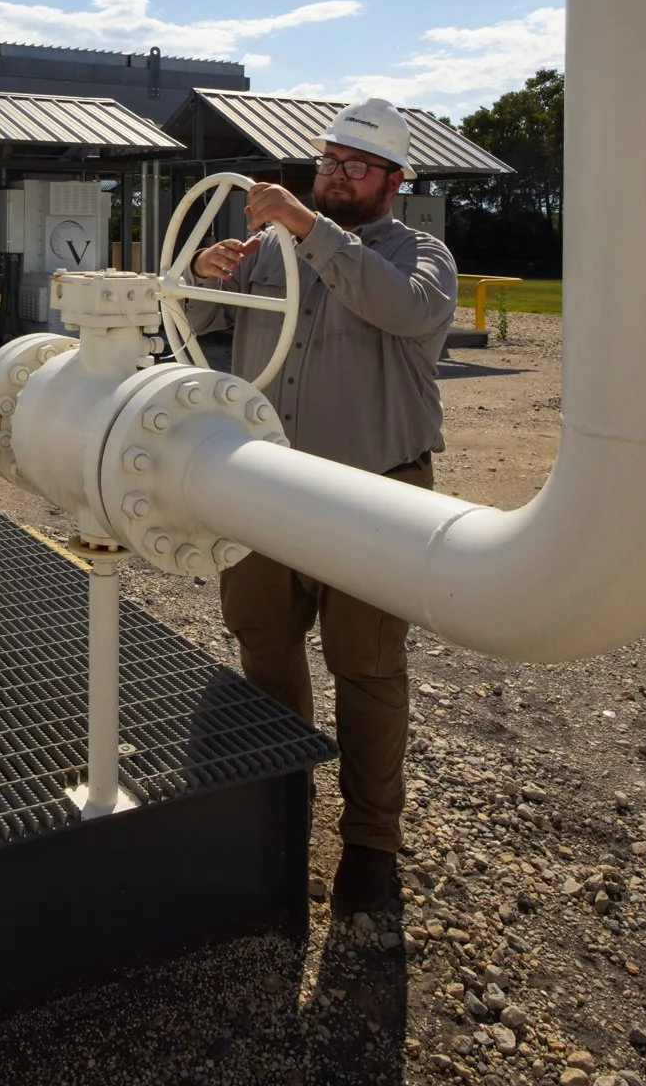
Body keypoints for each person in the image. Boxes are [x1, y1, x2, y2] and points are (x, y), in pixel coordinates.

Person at [186, 96, 457, 917]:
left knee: (367, 667)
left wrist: (310, 231)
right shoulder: (273, 248)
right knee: (265, 642)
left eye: (355, 167)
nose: (336, 177)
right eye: (329, 162)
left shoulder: (421, 255)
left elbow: (404, 310)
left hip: (376, 491)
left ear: (394, 180)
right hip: (263, 482)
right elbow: (195, 330)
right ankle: (281, 799)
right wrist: (204, 279)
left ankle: (372, 841)